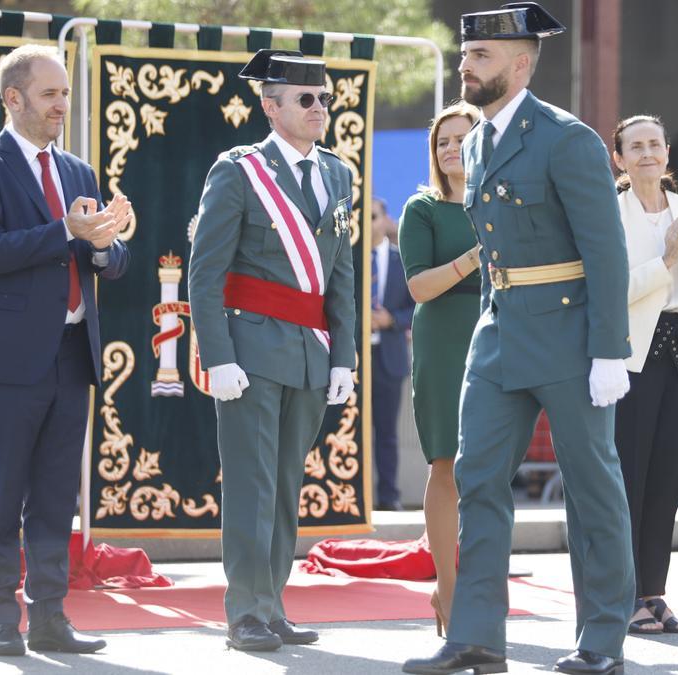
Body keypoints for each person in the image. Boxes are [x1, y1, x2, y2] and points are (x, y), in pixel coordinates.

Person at [404, 4, 634, 674]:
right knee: (477, 479)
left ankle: (601, 641)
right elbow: (495, 249)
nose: (465, 66)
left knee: (592, 489)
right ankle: (477, 634)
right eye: (465, 56)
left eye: (479, 57)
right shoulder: (474, 144)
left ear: (521, 64)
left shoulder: (568, 140)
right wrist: (484, 325)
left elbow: (606, 251)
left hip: (567, 330)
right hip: (499, 329)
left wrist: (608, 349)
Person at [0, 44, 131, 656]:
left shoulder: (78, 171)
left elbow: (105, 256)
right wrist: (68, 231)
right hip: (7, 359)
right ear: (14, 98)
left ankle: (51, 616)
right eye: (51, 94)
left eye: (64, 94)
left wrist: (106, 244)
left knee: (57, 493)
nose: (62, 105)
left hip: (70, 353)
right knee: (2, 490)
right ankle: (0, 618)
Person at [188, 49, 357, 651]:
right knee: (251, 485)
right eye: (306, 99)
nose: (320, 108)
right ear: (270, 106)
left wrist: (345, 357)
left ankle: (273, 603)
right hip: (251, 349)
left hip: (311, 352)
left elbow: (340, 273)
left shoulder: (338, 175)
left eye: (325, 98)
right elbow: (204, 274)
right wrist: (218, 355)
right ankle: (245, 613)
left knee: (286, 485)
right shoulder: (238, 171)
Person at [610, 114, 678, 636]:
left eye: (655, 143)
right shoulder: (611, 211)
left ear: (667, 153)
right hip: (633, 355)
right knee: (629, 476)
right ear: (621, 159)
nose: (648, 153)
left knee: (666, 478)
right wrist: (666, 257)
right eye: (636, 146)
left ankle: (655, 593)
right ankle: (624, 594)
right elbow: (609, 292)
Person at [397, 101, 482, 637]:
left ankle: (480, 584)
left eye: (461, 138)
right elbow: (419, 287)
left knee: (491, 470)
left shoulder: (505, 202)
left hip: (501, 336)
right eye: (442, 141)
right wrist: (476, 256)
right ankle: (448, 588)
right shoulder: (422, 207)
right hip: (443, 340)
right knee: (445, 464)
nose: (450, 148)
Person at [369, 196, 415, 512]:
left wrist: (393, 320)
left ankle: (389, 496)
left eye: (373, 216)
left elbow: (420, 306)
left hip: (389, 356)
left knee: (386, 431)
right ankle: (353, 499)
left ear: (386, 220)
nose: (368, 223)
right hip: (353, 359)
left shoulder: (404, 261)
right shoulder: (348, 258)